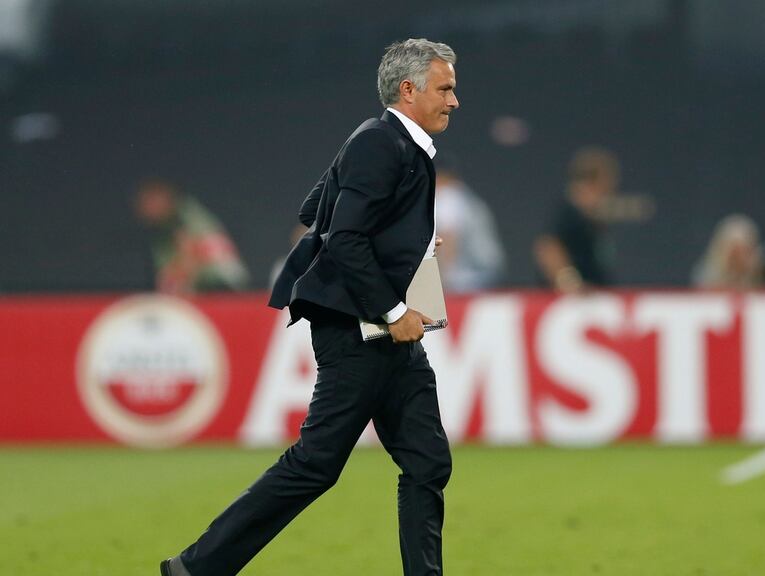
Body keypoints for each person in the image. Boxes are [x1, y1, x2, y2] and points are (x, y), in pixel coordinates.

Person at [161, 38, 460, 576]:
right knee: (316, 464)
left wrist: (405, 245)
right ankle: (195, 568)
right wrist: (394, 311)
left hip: (386, 334)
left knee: (427, 461)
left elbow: (314, 210)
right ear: (408, 89)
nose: (454, 100)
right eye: (445, 88)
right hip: (361, 329)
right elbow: (342, 239)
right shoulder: (381, 144)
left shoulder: (389, 143)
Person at [135, 180, 250, 294]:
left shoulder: (186, 216)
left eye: (151, 201)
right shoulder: (160, 232)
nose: (146, 207)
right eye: (143, 203)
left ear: (165, 198)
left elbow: (196, 255)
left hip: (223, 288)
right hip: (197, 292)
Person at [534, 146, 620, 293]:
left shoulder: (592, 216)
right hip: (573, 304)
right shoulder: (568, 212)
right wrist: (570, 284)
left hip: (594, 297)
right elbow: (548, 249)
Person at [433, 153, 505, 292]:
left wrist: (444, 279)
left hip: (471, 274)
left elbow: (448, 239)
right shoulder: (461, 194)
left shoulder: (448, 195)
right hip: (485, 271)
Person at [692, 213, 763, 289]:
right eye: (734, 251)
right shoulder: (706, 275)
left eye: (744, 250)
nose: (738, 257)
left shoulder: (764, 274)